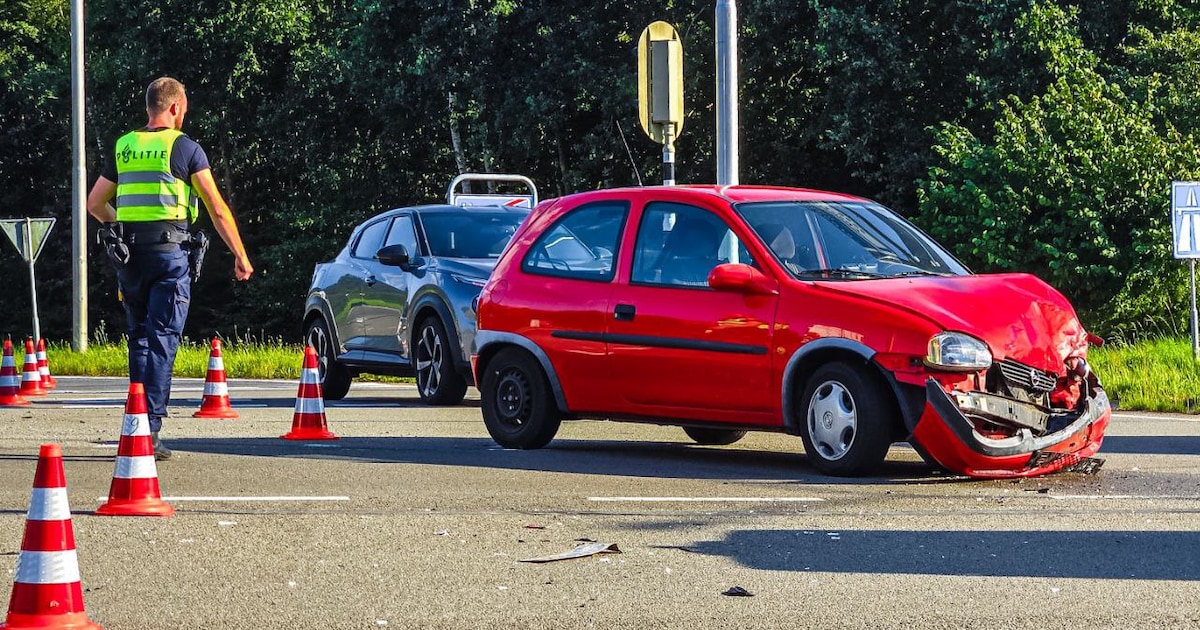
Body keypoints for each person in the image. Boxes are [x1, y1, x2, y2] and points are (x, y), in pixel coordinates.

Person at [86, 77, 253, 460]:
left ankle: (135, 425)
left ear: (150, 107)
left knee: (139, 338)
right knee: (162, 338)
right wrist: (240, 255)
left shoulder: (125, 146)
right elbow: (216, 208)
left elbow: (95, 203)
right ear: (175, 107)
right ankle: (151, 430)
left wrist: (121, 225)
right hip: (169, 255)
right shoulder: (185, 148)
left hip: (130, 256)